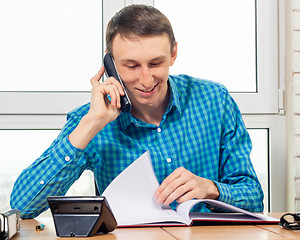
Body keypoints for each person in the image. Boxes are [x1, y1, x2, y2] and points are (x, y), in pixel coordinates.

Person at [10, 4, 264, 219]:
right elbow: (22, 207)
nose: (145, 79)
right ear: (109, 63)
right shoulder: (89, 119)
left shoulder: (214, 101)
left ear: (173, 53)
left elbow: (254, 198)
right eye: (131, 66)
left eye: (156, 63)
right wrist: (90, 125)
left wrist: (211, 188)